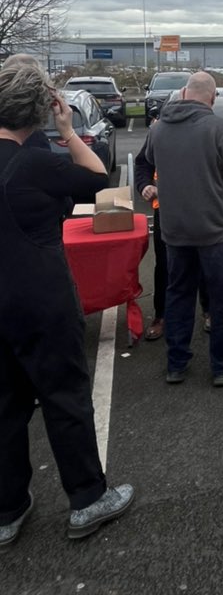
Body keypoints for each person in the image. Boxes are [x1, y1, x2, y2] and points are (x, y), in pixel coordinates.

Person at [0, 64, 134, 547]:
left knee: (5, 406)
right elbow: (99, 179)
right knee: (65, 397)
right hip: (40, 301)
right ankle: (86, 499)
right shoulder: (34, 164)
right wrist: (68, 131)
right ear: (39, 110)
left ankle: (8, 509)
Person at [143, 71, 223, 386]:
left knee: (178, 295)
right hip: (214, 231)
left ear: (186, 94)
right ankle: (222, 366)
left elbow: (149, 161)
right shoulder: (219, 129)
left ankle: (176, 363)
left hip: (175, 231)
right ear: (212, 98)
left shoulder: (159, 130)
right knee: (220, 299)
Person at [135, 131, 210, 341]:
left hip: (202, 209)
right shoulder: (159, 133)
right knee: (165, 265)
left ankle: (209, 309)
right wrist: (144, 186)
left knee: (204, 261)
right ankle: (161, 315)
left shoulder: (207, 130)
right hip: (167, 211)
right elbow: (143, 164)